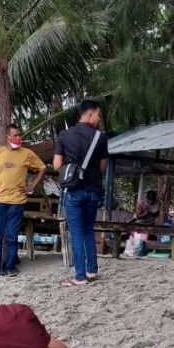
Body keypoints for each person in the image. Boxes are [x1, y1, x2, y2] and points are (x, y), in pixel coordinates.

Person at [54, 100, 109, 286]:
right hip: (93, 190)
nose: (99, 119)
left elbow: (56, 165)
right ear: (90, 114)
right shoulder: (100, 137)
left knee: (76, 233)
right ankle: (91, 271)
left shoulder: (64, 135)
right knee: (87, 230)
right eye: (99, 115)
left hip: (74, 190)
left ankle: (79, 277)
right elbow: (102, 167)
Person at [0, 123, 47, 277]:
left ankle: (10, 267)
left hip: (17, 202)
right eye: (15, 135)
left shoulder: (27, 153)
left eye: (20, 135)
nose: (18, 138)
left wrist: (32, 185)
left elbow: (43, 168)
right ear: (7, 137)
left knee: (12, 236)